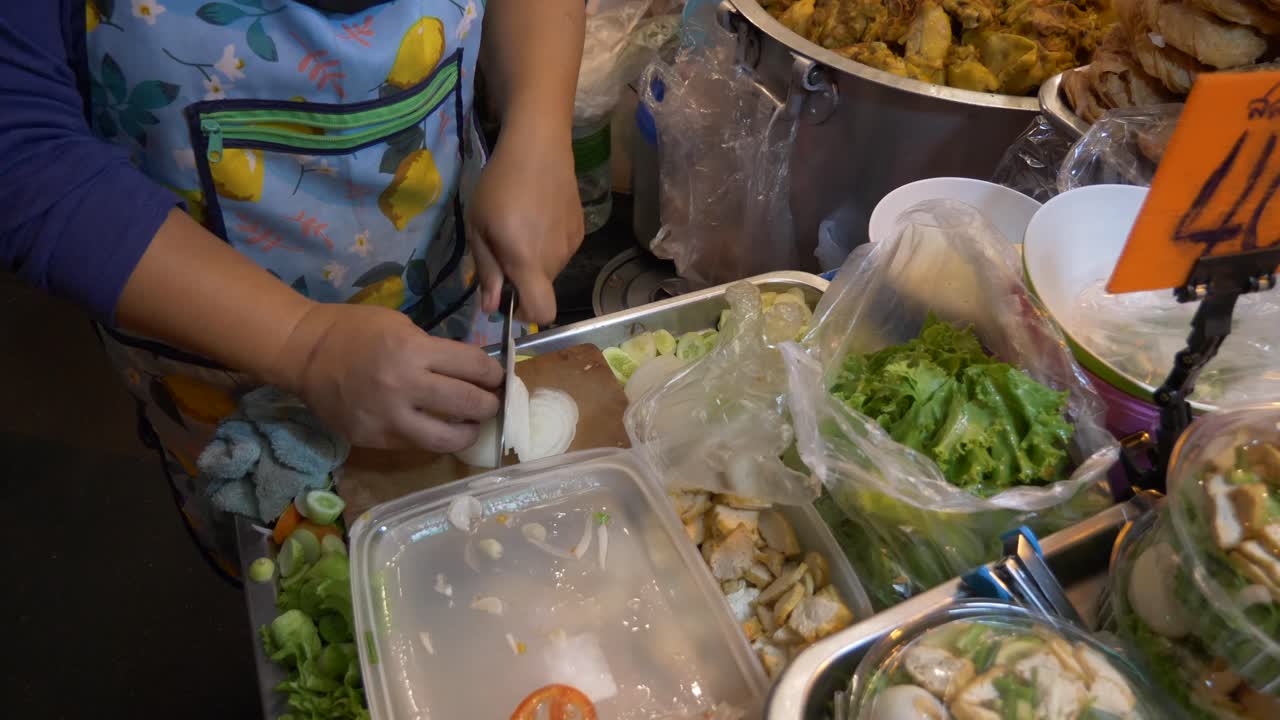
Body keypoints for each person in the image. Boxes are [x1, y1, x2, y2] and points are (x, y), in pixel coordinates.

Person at [0, 0, 587, 578]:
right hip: (230, 367)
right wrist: (303, 343)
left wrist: (539, 122)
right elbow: (23, 153)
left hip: (453, 296)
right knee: (305, 578)